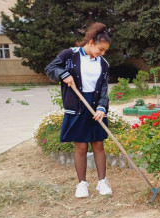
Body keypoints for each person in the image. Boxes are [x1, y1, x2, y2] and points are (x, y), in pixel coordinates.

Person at [45, 22, 112, 198]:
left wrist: (102, 108)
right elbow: (51, 68)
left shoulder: (103, 63)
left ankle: (102, 182)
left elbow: (104, 89)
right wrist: (63, 74)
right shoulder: (69, 55)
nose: (102, 53)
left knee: (98, 144)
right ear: (90, 42)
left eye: (105, 50)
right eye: (100, 49)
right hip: (76, 107)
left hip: (95, 107)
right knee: (81, 147)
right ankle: (82, 184)